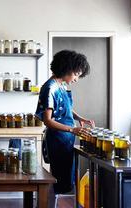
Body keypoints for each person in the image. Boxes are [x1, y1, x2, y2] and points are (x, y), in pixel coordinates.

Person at [35, 50, 95, 196]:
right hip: (58, 139)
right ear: (67, 69)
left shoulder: (60, 85)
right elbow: (48, 120)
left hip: (66, 138)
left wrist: (80, 119)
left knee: (66, 178)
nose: (76, 79)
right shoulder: (50, 87)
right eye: (76, 74)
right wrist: (72, 130)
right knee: (60, 179)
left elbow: (66, 108)